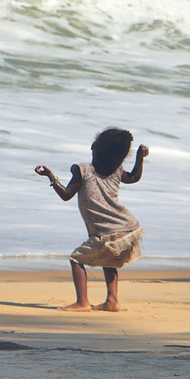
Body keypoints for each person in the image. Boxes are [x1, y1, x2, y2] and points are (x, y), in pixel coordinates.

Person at [35, 128, 149, 312]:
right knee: (109, 260)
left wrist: (51, 177)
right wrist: (139, 158)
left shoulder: (83, 170)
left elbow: (66, 195)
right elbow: (135, 177)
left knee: (76, 259)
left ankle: (83, 302)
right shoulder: (117, 171)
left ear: (94, 147)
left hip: (106, 231)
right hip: (126, 226)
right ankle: (112, 302)